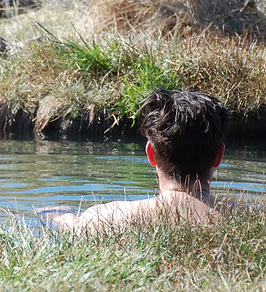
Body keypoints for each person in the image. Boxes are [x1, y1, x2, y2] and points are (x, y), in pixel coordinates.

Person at [48, 90, 231, 233]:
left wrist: (59, 216)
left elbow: (73, 227)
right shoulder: (252, 217)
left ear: (150, 154)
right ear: (219, 156)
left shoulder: (107, 217)